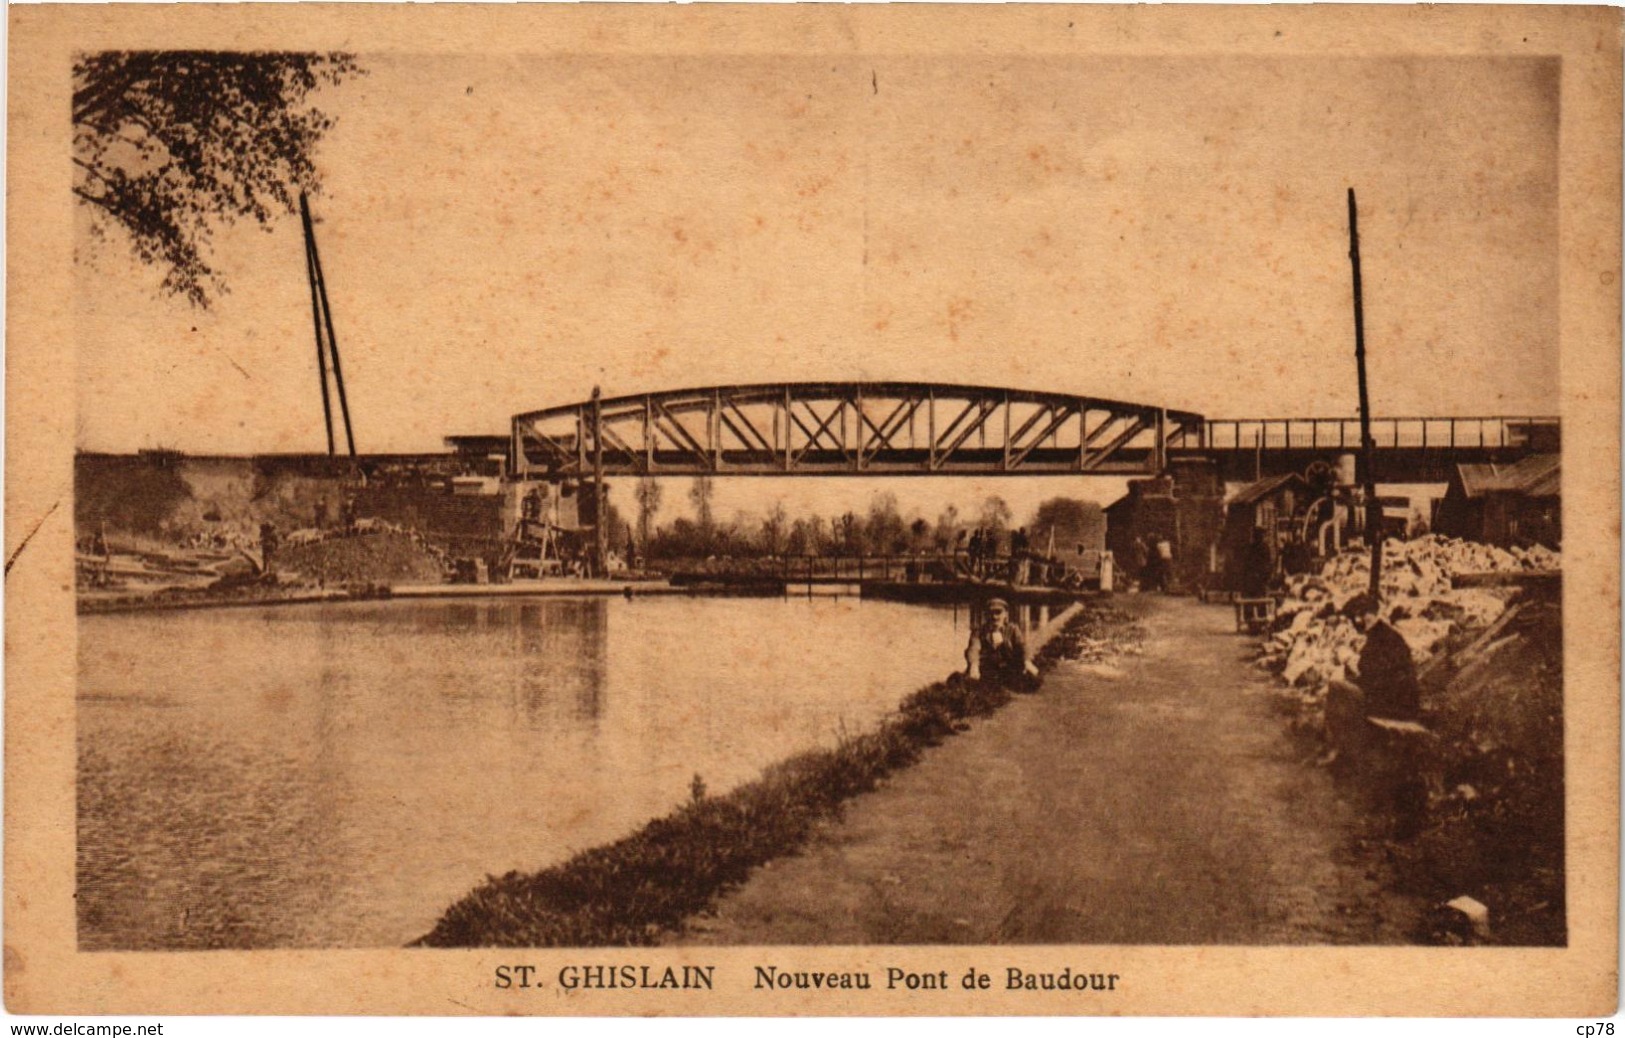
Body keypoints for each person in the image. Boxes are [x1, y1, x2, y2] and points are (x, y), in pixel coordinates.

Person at [965, 597, 1039, 687]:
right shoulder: (979, 631)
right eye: (991, 613)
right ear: (986, 615)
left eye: (998, 612)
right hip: (987, 670)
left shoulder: (1013, 629)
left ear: (1005, 615)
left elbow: (1022, 646)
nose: (994, 617)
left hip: (1008, 669)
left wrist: (1027, 661)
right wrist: (974, 665)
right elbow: (973, 648)